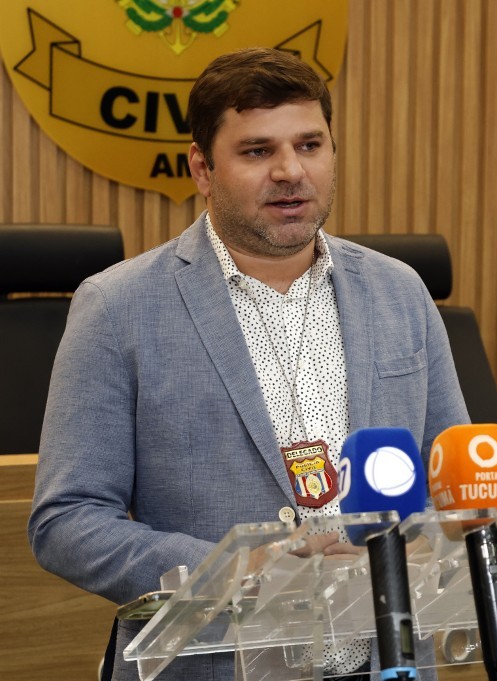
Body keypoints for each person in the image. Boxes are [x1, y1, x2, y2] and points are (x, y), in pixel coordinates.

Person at [28, 47, 469, 681]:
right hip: (211, 663)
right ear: (202, 169)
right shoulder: (118, 306)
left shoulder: (400, 291)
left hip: (384, 661)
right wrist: (234, 570)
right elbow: (67, 521)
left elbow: (453, 484)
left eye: (310, 145)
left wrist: (430, 543)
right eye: (258, 151)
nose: (291, 171)